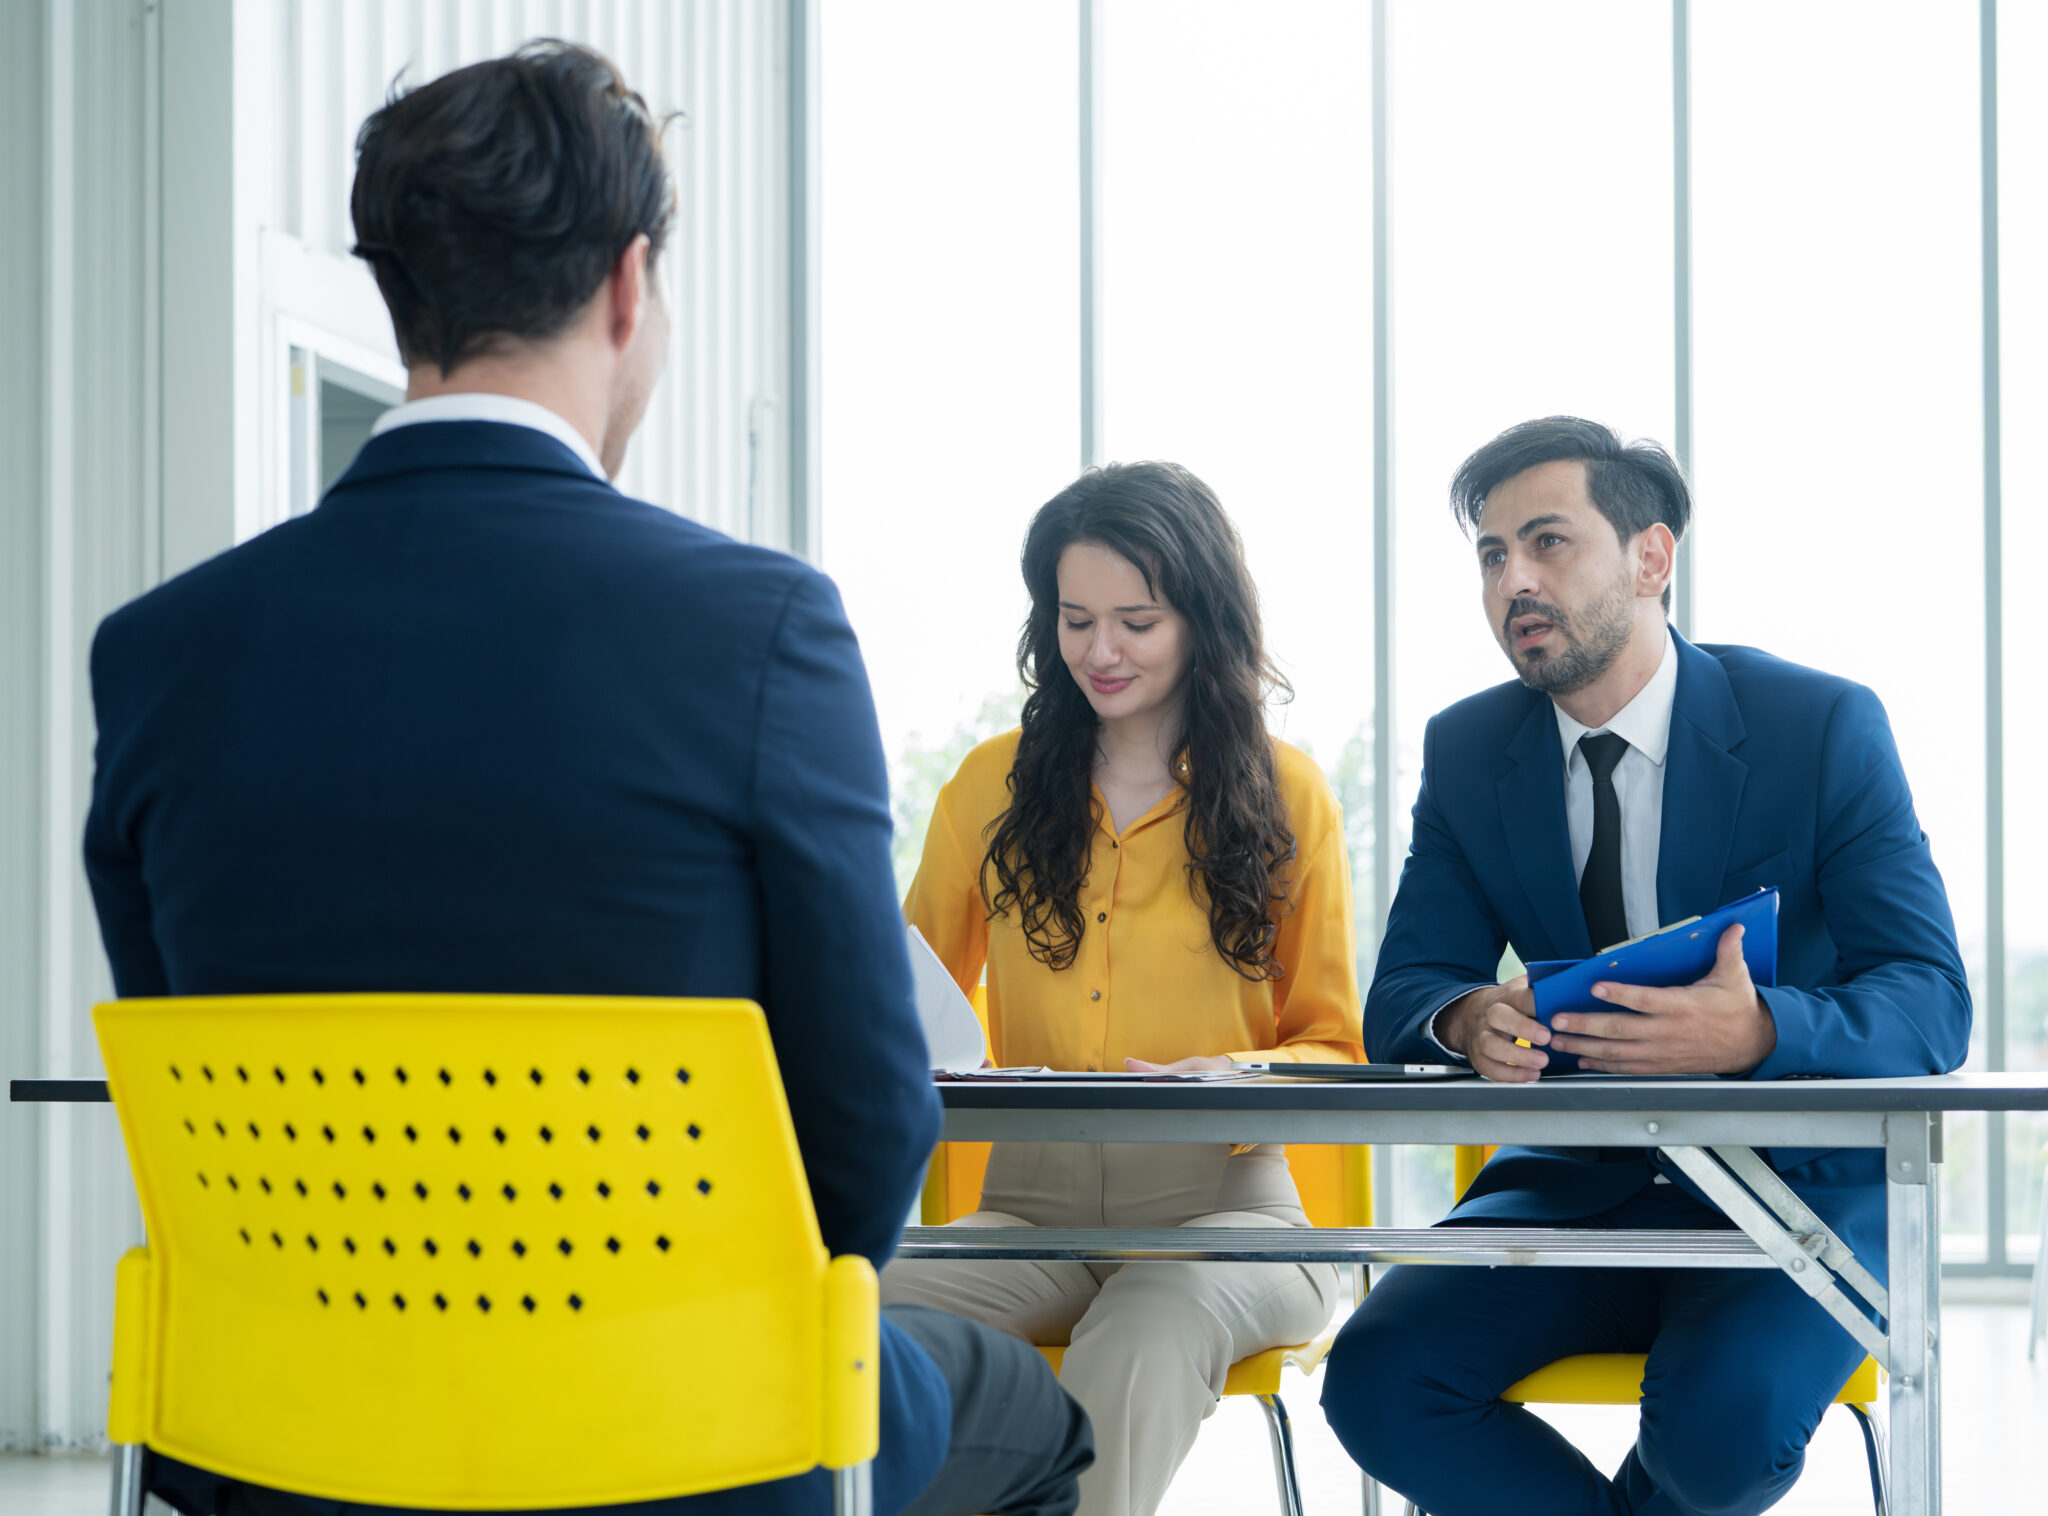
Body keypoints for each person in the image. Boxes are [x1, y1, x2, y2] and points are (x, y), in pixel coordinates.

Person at [82, 42, 1090, 1516]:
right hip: (682, 1437)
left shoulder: (161, 653)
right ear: (631, 287)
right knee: (1035, 1422)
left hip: (288, 1432)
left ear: (402, 295)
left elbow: (186, 1061)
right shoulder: (757, 626)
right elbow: (873, 1126)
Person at [1318, 416, 1970, 1515]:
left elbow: (1927, 998)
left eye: (1546, 542)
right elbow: (1405, 987)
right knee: (1380, 1380)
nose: (1512, 579)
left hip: (1791, 1195)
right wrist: (1466, 1014)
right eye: (1490, 554)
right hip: (1576, 1185)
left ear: (1649, 558)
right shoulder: (1469, 749)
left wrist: (1759, 1030)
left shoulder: (1816, 725)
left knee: (1719, 1435)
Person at [880, 463, 1365, 1516]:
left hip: (1229, 1220)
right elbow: (901, 997)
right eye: (1074, 619)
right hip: (1023, 1214)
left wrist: (1231, 1073)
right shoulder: (987, 790)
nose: (1100, 651)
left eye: (1136, 621)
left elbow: (1333, 1042)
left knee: (1147, 1321)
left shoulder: (1287, 796)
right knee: (841, 1311)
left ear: (1199, 618)